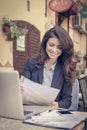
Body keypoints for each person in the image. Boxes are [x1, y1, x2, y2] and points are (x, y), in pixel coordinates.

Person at [21, 26, 77, 109]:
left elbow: (67, 101)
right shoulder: (31, 63)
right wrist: (20, 90)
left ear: (63, 49)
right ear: (45, 43)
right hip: (31, 110)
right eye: (51, 45)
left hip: (52, 113)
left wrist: (57, 105)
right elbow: (24, 91)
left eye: (59, 47)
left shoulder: (66, 69)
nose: (54, 50)